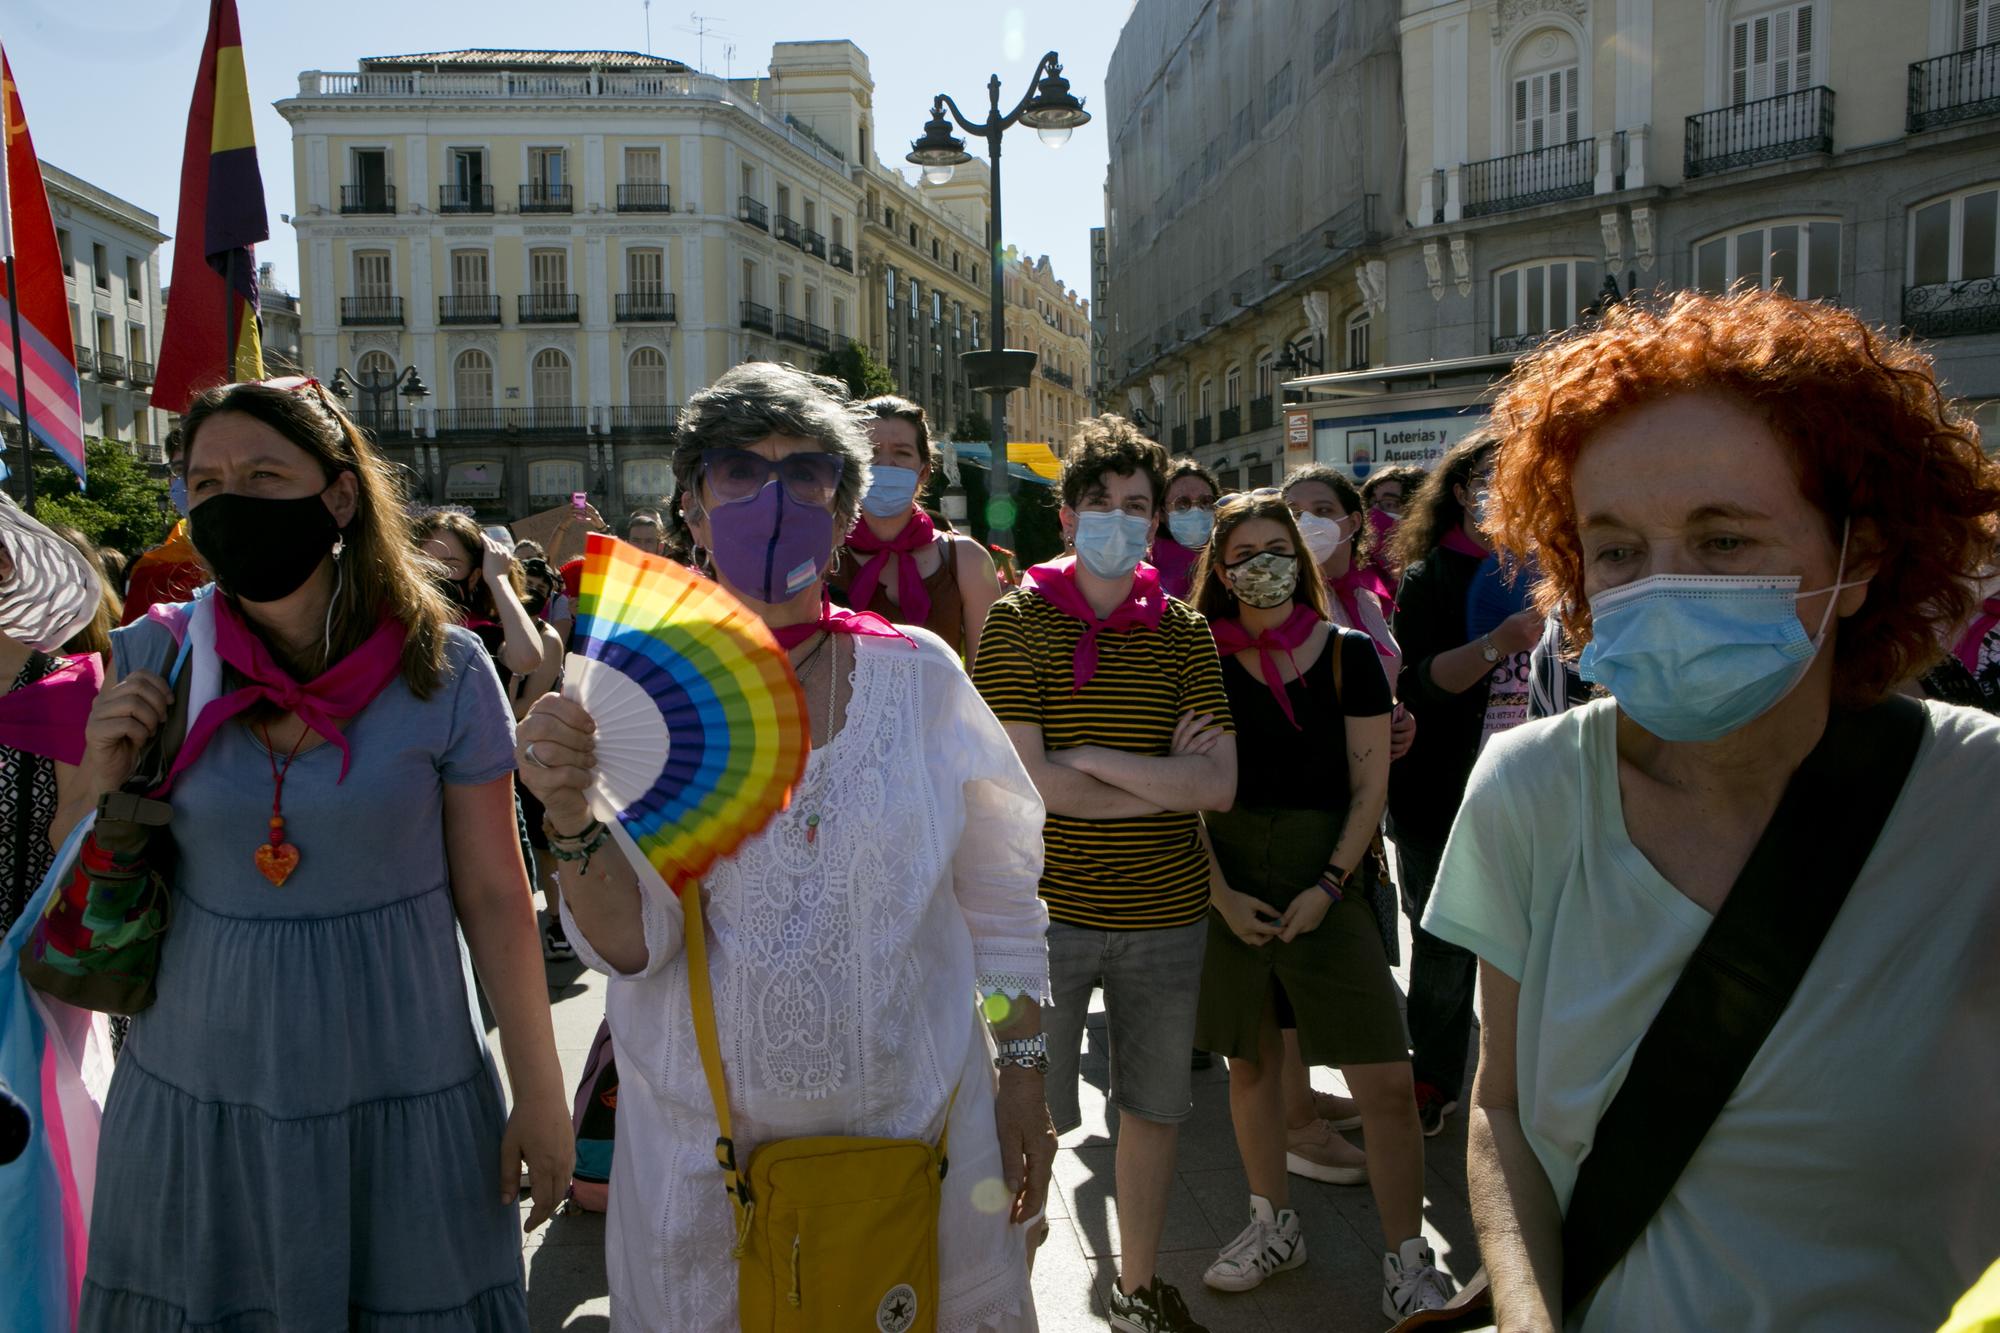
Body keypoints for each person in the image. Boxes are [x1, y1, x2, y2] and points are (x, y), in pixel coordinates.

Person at [1425, 288, 2000, 1331]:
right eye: (1614, 550)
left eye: (1723, 540)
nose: (1660, 588)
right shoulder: (1525, 790)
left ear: (1858, 557)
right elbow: (1498, 1108)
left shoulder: (1979, 802)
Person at [515, 362, 1054, 1332]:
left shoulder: (919, 679)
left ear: (845, 508)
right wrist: (567, 820)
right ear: (690, 503)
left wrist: (1022, 1074)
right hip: (709, 1192)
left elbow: (1001, 903)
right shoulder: (631, 697)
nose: (774, 497)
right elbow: (630, 948)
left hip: (928, 1156)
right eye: (737, 471)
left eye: (806, 474)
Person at [65, 378, 572, 1330]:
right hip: (203, 1102)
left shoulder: (447, 670)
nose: (231, 503)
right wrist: (100, 773)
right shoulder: (154, 658)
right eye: (206, 483)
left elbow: (500, 896)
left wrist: (542, 1097)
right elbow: (73, 872)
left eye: (264, 474)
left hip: (404, 1090)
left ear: (340, 497)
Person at [972, 415, 1237, 1333]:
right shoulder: (1015, 623)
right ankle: (1008, 1295)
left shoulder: (1185, 632)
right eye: (1102, 504)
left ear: (1157, 517)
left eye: (1138, 506)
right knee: (1017, 1114)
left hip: (1167, 916)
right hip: (1028, 926)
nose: (1120, 521)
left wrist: (1088, 754)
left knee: (1156, 1110)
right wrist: (1164, 783)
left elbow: (1221, 782)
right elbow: (1025, 793)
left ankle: (1135, 1288)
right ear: (1068, 514)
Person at [1186, 494, 1453, 1317]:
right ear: (1220, 571)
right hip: (1231, 881)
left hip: (1327, 882)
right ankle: (1273, 1223)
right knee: (1255, 1065)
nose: (1259, 564)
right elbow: (1185, 794)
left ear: (1299, 560)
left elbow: (1370, 784)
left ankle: (1408, 1260)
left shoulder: (1347, 654)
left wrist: (1330, 883)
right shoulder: (1195, 655)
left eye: (1276, 547)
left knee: (1382, 1075)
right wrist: (1220, 894)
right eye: (1243, 553)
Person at [1385, 433, 1544, 1137]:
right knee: (1444, 945)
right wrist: (1499, 643)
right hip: (1441, 792)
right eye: (1488, 477)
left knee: (1537, 943)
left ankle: (1532, 1082)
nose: (1502, 489)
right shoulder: (1430, 579)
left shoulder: (1557, 570)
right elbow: (1418, 684)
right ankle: (1435, 1079)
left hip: (1540, 791)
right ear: (1459, 491)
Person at [831, 394, 1004, 662]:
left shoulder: (967, 561)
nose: (885, 464)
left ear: (923, 471)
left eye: (901, 453)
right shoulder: (822, 555)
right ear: (851, 466)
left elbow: (985, 678)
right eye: (871, 452)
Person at [412, 509, 547, 687]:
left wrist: (499, 579)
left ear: (474, 577)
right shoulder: (392, 626)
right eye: (425, 563)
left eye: (450, 566)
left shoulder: (482, 635)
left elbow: (526, 659)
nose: (436, 574)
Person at [1151, 458, 1220, 600]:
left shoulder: (1231, 557)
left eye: (1206, 502)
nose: (1196, 511)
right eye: (1182, 504)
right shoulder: (1145, 567)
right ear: (1162, 513)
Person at [1360, 464, 1424, 587]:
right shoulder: (1356, 572)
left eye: (1389, 504)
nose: (1374, 512)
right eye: (1371, 503)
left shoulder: (1435, 571)